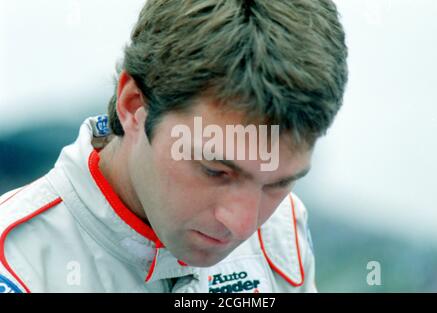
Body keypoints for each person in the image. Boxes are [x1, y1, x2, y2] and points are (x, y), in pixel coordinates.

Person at [0, 0, 347, 293]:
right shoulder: (17, 264)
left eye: (278, 183)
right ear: (134, 104)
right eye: (215, 171)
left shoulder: (284, 227)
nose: (243, 225)